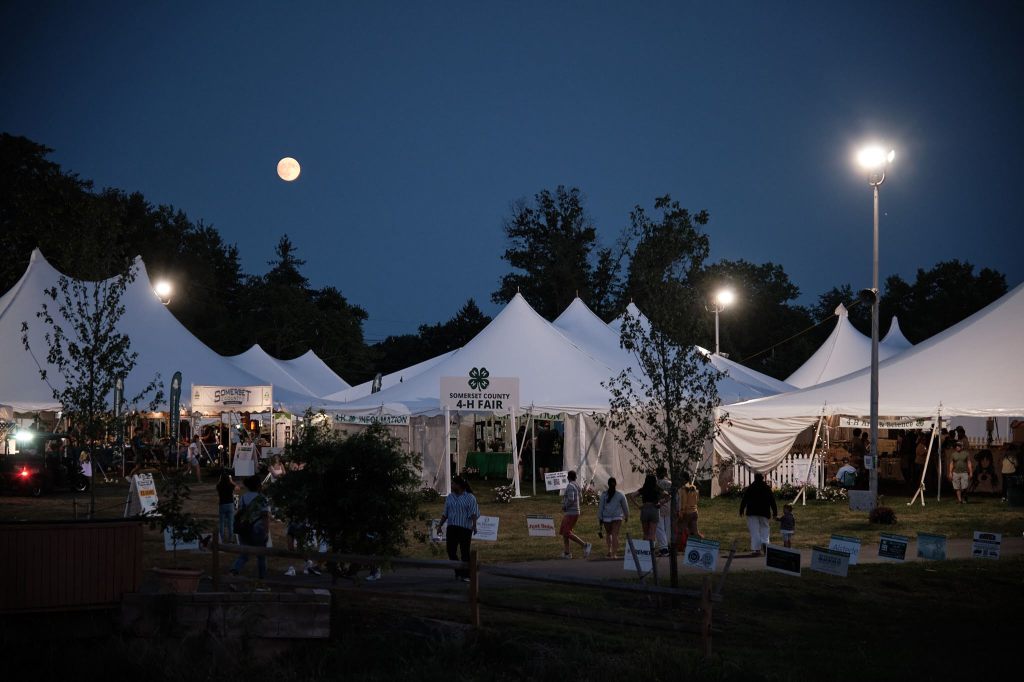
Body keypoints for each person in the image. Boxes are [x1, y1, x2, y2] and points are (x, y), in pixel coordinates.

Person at [438, 476, 479, 582]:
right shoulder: (449, 497)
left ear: (459, 485)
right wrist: (440, 526)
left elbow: (474, 513)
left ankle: (466, 575)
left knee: (464, 552)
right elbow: (445, 513)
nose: (451, 485)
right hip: (452, 528)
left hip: (464, 528)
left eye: (453, 484)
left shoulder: (470, 497)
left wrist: (474, 525)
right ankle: (458, 572)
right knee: (450, 551)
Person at [230, 475, 270, 579]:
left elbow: (240, 512)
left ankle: (234, 571)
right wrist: (266, 531)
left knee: (244, 554)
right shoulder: (262, 498)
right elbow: (265, 516)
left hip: (245, 529)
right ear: (258, 486)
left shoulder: (244, 497)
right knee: (261, 556)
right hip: (258, 529)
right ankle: (262, 579)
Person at [739, 472, 777, 555]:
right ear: (762, 479)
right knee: (765, 528)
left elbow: (744, 499)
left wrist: (741, 509)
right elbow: (772, 501)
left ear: (755, 478)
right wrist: (775, 512)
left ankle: (756, 549)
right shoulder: (766, 488)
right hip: (764, 512)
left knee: (754, 531)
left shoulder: (751, 487)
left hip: (752, 512)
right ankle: (765, 543)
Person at [559, 470, 592, 559]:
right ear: (575, 477)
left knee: (566, 532)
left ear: (568, 477)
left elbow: (571, 499)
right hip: (574, 511)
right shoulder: (577, 485)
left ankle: (585, 545)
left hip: (571, 512)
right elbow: (581, 499)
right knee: (564, 531)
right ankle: (567, 552)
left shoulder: (570, 486)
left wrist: (565, 506)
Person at [597, 477, 629, 559]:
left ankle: (609, 550)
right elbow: (625, 507)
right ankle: (614, 554)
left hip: (606, 517)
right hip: (617, 517)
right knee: (615, 535)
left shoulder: (604, 495)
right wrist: (626, 515)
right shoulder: (620, 494)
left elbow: (600, 507)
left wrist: (600, 517)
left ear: (608, 484)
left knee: (608, 534)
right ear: (616, 484)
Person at [635, 474, 662, 544]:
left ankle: (645, 550)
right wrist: (661, 503)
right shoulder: (657, 489)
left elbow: (632, 496)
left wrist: (638, 505)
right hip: (654, 509)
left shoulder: (643, 489)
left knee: (645, 533)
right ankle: (651, 550)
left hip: (645, 509)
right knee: (652, 533)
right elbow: (668, 496)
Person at [678, 472, 701, 546]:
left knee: (680, 530)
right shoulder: (694, 487)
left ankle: (675, 547)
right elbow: (697, 500)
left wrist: (681, 512)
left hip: (686, 512)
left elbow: (683, 502)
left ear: (683, 479)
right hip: (694, 511)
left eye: (680, 478)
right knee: (695, 532)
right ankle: (700, 545)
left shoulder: (682, 489)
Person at [655, 466, 672, 556]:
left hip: (659, 507)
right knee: (667, 528)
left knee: (660, 528)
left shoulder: (657, 483)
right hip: (669, 507)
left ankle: (663, 548)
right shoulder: (670, 483)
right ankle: (668, 545)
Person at [216, 471, 236, 543]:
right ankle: (231, 538)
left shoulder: (219, 486)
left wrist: (220, 479)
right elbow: (237, 487)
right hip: (230, 504)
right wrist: (231, 480)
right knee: (230, 523)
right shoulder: (231, 485)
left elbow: (217, 484)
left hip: (222, 504)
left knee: (221, 523)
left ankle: (221, 538)